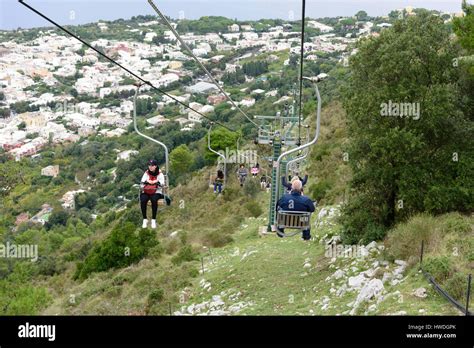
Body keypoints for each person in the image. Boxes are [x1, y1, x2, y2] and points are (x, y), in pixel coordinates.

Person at [140, 159, 165, 229]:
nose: (150, 167)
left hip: (156, 191)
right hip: (147, 190)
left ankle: (153, 219)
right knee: (143, 200)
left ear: (155, 166)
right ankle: (145, 219)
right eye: (149, 165)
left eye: (152, 165)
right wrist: (148, 182)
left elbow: (162, 184)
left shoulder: (160, 174)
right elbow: (142, 182)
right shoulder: (146, 173)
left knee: (154, 200)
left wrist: (155, 182)